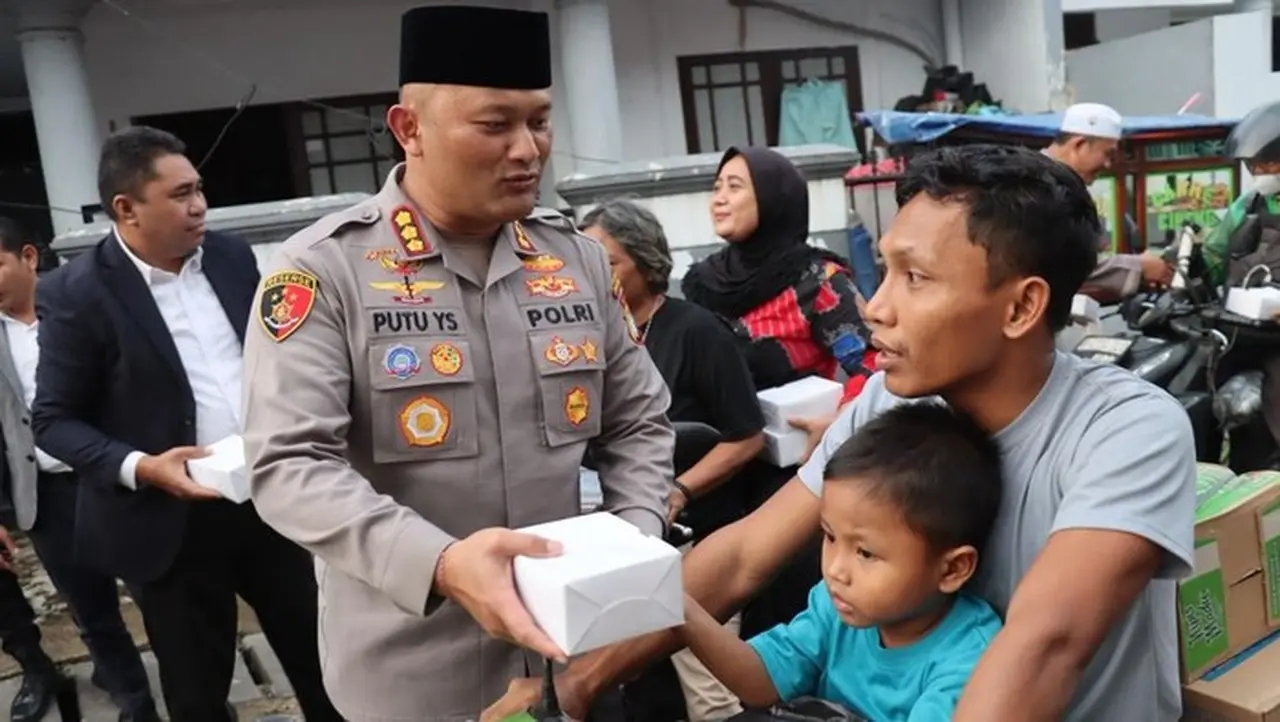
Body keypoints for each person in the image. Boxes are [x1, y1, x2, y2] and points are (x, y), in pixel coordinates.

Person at [484, 144, 1197, 722]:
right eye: (882, 270)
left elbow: (1045, 646)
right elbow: (740, 561)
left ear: (1022, 307)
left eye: (915, 278)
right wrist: (570, 689)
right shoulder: (887, 402)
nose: (875, 308)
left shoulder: (1127, 432)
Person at [238, 6, 672, 720]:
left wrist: (634, 539)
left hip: (576, 661)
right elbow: (288, 465)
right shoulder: (325, 271)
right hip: (413, 678)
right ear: (408, 129)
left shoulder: (578, 262)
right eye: (495, 125)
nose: (528, 149)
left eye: (539, 121)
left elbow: (640, 419)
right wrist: (440, 564)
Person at [30, 126, 340, 722]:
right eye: (179, 195)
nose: (199, 206)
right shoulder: (78, 294)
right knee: (197, 691)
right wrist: (142, 467)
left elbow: (271, 355)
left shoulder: (229, 257)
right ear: (126, 209)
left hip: (265, 498)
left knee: (323, 658)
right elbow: (53, 421)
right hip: (169, 524)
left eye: (199, 190)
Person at [682, 403, 1004, 720]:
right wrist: (683, 612)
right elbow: (764, 682)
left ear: (952, 569)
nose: (835, 570)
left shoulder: (969, 661)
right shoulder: (837, 606)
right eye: (829, 536)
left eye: (865, 553)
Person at [580, 199, 764, 721]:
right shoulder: (586, 340)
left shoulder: (695, 330)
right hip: (618, 536)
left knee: (708, 689)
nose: (592, 276)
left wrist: (677, 491)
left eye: (605, 262)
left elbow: (745, 437)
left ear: (645, 262)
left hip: (695, 540)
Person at [0, 218, 159, 722]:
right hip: (46, 494)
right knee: (91, 610)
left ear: (28, 256)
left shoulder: (79, 308)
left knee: (156, 595)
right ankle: (136, 703)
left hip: (114, 476)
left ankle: (191, 689)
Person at [1200, 99, 1280, 469]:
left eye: (1267, 164)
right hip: (1240, 335)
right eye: (1253, 166)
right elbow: (1214, 253)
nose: (1258, 173)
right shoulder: (1247, 206)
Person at [1042, 102, 1173, 301]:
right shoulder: (1037, 186)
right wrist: (1140, 266)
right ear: (1080, 145)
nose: (1108, 164)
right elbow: (1061, 263)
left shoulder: (1068, 186)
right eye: (1108, 154)